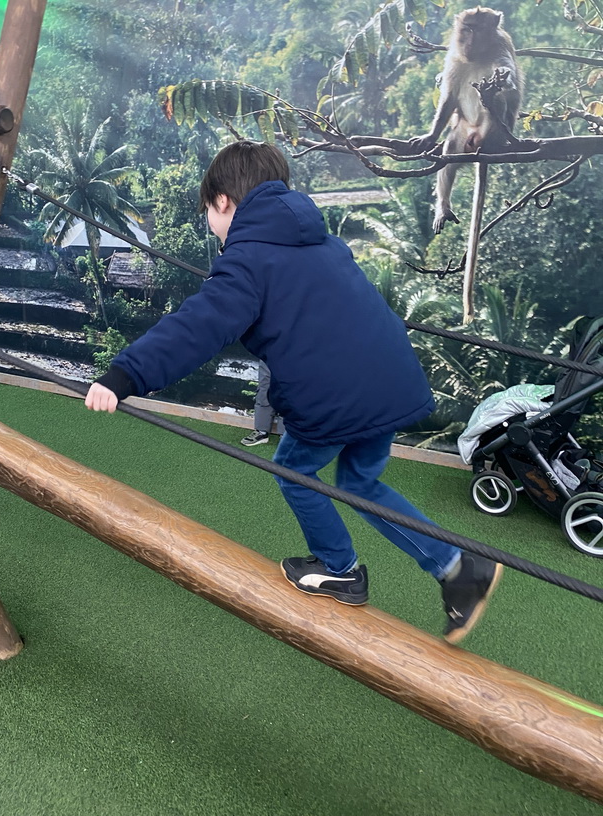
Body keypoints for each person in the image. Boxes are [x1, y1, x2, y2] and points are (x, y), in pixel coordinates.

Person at [86, 141, 501, 643]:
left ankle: (339, 568)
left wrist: (123, 376)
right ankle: (459, 567)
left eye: (208, 213)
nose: (212, 226)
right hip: (391, 381)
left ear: (222, 202)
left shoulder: (247, 260)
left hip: (339, 396)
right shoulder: (322, 242)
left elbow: (196, 327)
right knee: (358, 482)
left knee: (294, 470)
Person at [241, 361, 283, 447]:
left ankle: (286, 434)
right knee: (264, 386)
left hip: (295, 350)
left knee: (290, 389)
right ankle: (262, 432)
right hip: (271, 349)